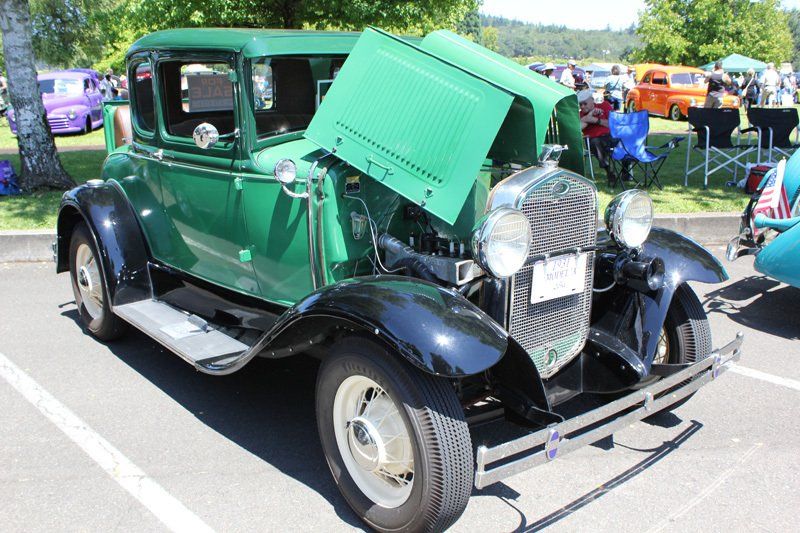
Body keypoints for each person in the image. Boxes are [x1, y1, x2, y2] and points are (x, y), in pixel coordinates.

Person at [578, 89, 618, 185]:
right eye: (580, 105)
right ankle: (609, 170)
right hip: (594, 140)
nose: (582, 106)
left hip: (610, 136)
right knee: (595, 142)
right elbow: (578, 128)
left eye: (585, 104)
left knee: (625, 140)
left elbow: (613, 124)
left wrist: (595, 120)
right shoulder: (580, 114)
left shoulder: (604, 106)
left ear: (592, 101)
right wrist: (589, 116)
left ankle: (626, 171)